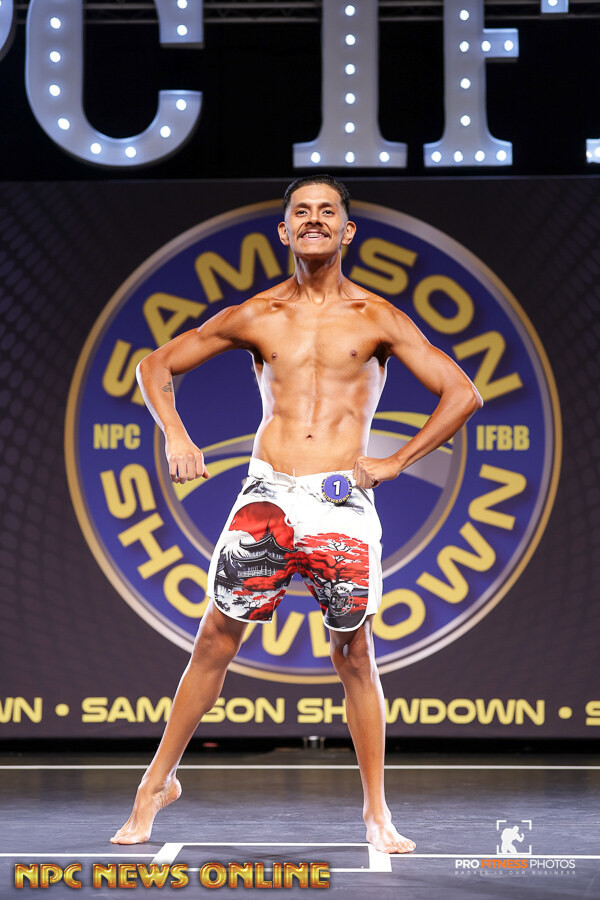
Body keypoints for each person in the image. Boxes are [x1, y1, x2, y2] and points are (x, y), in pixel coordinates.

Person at [111, 175, 482, 853]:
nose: (315, 220)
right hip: (268, 494)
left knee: (355, 653)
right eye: (302, 212)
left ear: (347, 230)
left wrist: (398, 461)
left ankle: (376, 812)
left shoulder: (377, 317)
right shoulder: (258, 314)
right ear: (284, 231)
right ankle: (154, 786)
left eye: (327, 212)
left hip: (341, 500)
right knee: (214, 639)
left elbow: (462, 393)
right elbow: (155, 366)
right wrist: (176, 436)